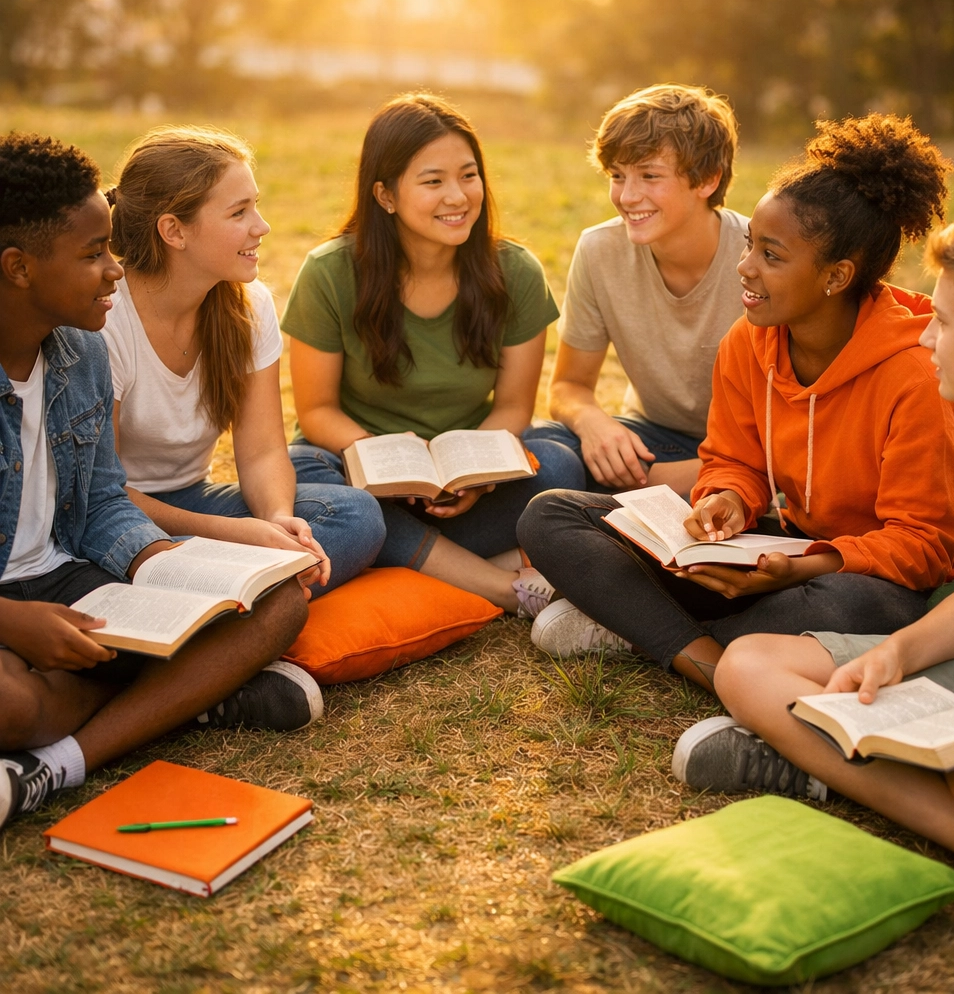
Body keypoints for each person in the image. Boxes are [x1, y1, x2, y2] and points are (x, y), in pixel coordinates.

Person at [673, 203, 954, 961]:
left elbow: (923, 547)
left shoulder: (928, 390)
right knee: (751, 665)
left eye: (945, 320)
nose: (925, 333)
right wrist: (895, 657)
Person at [519, 114, 954, 690]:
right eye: (749, 246)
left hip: (870, 579)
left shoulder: (914, 374)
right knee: (553, 514)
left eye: (772, 255)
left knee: (845, 608)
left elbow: (922, 549)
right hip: (781, 551)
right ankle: (709, 652)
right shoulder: (750, 339)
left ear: (836, 276)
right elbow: (732, 459)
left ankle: (656, 632)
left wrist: (798, 569)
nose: (746, 267)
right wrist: (727, 500)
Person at [0, 133, 316, 832]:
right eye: (93, 255)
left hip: (67, 574)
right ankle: (179, 698)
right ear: (19, 268)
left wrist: (160, 563)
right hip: (11, 602)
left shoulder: (78, 351)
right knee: (10, 705)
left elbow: (103, 503)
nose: (115, 270)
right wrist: (13, 619)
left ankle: (56, 765)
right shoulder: (104, 336)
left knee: (280, 604)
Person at [281, 94, 585, 615]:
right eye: (433, 181)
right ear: (385, 195)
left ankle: (399, 562)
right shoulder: (328, 273)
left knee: (558, 464)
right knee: (304, 474)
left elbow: (514, 406)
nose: (458, 196)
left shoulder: (516, 272)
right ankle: (501, 584)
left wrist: (479, 472)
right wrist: (388, 463)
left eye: (468, 175)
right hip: (362, 474)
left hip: (470, 483)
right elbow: (317, 412)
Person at [102, 126, 385, 600]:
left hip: (193, 502)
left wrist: (275, 519)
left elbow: (262, 452)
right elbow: (99, 499)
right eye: (239, 212)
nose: (262, 225)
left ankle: (229, 599)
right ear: (174, 230)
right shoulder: (107, 321)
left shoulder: (248, 305)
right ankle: (253, 600)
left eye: (255, 204)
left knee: (355, 515)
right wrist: (232, 534)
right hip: (117, 519)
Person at [524, 84, 747, 496]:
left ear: (708, 180)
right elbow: (568, 386)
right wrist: (595, 424)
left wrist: (648, 484)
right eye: (617, 176)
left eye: (649, 175)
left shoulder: (761, 259)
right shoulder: (599, 250)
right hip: (652, 440)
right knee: (544, 450)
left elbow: (797, 432)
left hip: (748, 457)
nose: (627, 196)